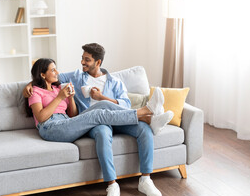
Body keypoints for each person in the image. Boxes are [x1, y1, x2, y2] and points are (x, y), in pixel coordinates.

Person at [23, 43, 173, 196]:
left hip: (117, 119)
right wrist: (30, 85)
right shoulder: (76, 76)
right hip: (90, 123)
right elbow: (44, 81)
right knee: (101, 126)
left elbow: (124, 105)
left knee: (143, 129)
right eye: (82, 58)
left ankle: (145, 179)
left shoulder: (115, 82)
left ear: (98, 62)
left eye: (87, 60)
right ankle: (112, 185)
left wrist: (101, 97)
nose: (82, 62)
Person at [25, 58, 168, 143]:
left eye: (56, 69)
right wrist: (60, 98)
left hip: (65, 122)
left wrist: (70, 98)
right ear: (43, 75)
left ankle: (149, 120)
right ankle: (146, 111)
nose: (57, 73)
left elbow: (73, 115)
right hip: (49, 128)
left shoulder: (57, 89)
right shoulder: (35, 92)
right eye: (53, 70)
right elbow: (41, 117)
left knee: (103, 104)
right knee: (97, 114)